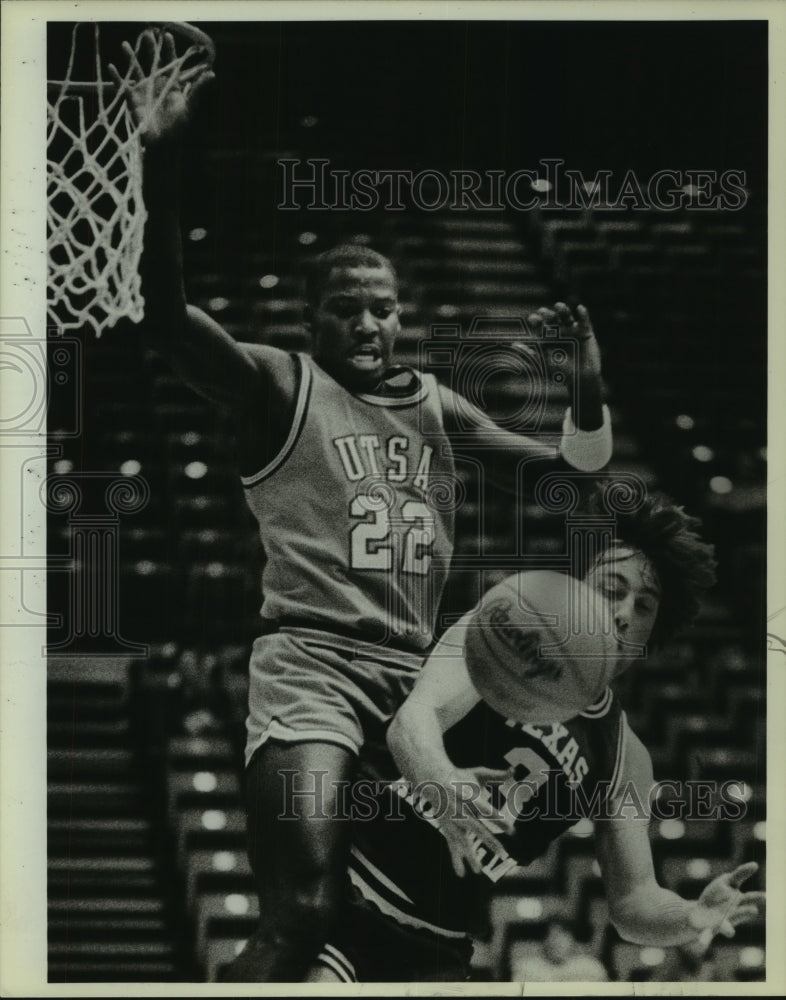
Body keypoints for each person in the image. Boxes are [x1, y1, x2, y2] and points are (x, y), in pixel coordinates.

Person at [116, 32, 614, 981]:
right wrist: (161, 161)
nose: (370, 324)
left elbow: (572, 475)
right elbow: (166, 320)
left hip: (418, 685)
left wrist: (585, 390)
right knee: (304, 911)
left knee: (428, 928)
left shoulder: (436, 404)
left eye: (383, 307)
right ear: (313, 317)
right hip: (313, 670)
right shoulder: (279, 384)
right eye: (348, 308)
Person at [307, 488, 764, 983]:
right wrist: (441, 778)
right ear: (575, 586)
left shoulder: (624, 757)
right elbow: (415, 720)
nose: (624, 612)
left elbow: (634, 901)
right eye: (611, 588)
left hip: (439, 943)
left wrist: (690, 916)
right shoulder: (504, 635)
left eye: (644, 606)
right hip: (348, 883)